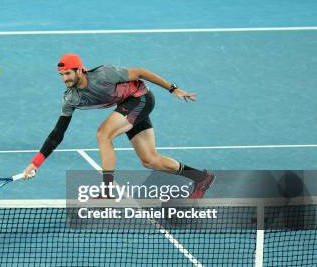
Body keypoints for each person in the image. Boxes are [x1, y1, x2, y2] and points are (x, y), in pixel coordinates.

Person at [22, 53, 215, 199]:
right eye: (61, 75)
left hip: (141, 99)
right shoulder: (70, 98)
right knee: (150, 160)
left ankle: (106, 192)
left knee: (103, 134)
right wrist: (35, 163)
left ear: (80, 70)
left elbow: (140, 72)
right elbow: (57, 133)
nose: (65, 79)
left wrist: (173, 89)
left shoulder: (104, 75)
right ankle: (200, 177)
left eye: (68, 73)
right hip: (127, 106)